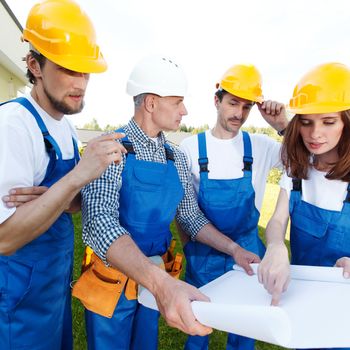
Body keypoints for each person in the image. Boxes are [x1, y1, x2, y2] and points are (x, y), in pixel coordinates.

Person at [76, 55, 261, 350]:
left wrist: (235, 249)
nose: (185, 110)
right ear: (151, 103)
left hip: (154, 283)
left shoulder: (176, 157)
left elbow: (190, 217)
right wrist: (156, 280)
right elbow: (99, 223)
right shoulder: (110, 148)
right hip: (111, 283)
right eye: (177, 102)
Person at [0, 1, 126, 349]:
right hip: (18, 298)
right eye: (69, 69)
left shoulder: (65, 126)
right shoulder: (14, 124)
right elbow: (5, 238)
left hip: (53, 287)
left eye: (86, 72)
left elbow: (70, 205)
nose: (81, 83)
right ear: (34, 65)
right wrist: (75, 178)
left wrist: (52, 196)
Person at [177, 63, 288, 350]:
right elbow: (184, 211)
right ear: (217, 100)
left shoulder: (261, 146)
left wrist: (282, 126)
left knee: (244, 330)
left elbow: (306, 156)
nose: (239, 113)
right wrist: (189, 246)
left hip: (249, 254)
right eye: (233, 103)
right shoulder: (190, 149)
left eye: (246, 106)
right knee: (198, 328)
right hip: (204, 255)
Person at [258, 61, 350, 342]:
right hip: (302, 299)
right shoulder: (296, 168)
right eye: (306, 122)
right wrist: (275, 246)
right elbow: (277, 219)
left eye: (328, 121)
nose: (314, 134)